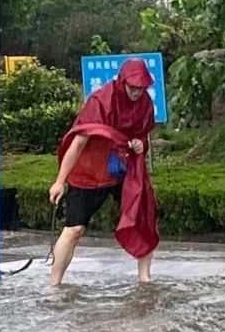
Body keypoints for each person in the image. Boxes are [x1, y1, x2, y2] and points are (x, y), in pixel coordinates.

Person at [48, 58, 159, 286]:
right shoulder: (101, 100)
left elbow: (142, 135)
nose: (137, 93)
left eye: (142, 88)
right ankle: (54, 283)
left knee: (143, 217)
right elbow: (78, 143)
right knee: (74, 229)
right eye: (133, 88)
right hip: (90, 171)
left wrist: (139, 144)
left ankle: (145, 277)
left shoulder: (144, 102)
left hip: (122, 168)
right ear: (122, 82)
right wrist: (59, 181)